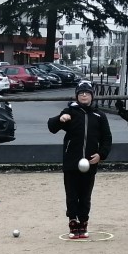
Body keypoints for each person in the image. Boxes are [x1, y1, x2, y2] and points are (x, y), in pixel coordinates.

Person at [47, 80, 112, 239]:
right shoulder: (70, 112)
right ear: (77, 96)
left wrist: (101, 155)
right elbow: (52, 127)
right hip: (71, 162)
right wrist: (60, 118)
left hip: (90, 163)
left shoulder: (99, 115)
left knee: (85, 195)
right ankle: (73, 222)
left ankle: (83, 223)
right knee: (71, 194)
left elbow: (107, 138)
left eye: (87, 93)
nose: (84, 95)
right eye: (81, 93)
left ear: (92, 96)